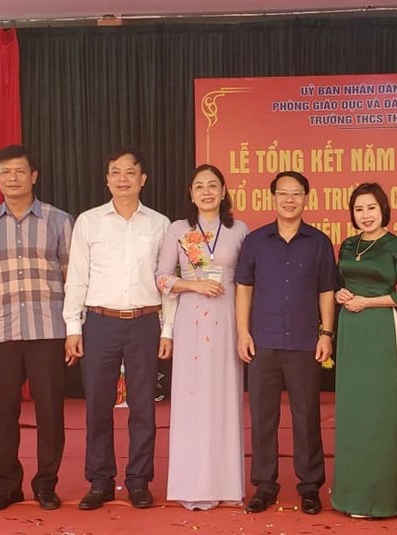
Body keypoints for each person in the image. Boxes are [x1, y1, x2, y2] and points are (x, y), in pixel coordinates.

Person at [0, 145, 74, 513]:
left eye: (20, 171)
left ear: (34, 176)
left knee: (50, 412)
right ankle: (7, 486)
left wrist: (75, 328)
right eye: (5, 172)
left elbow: (72, 277)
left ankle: (46, 485)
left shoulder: (59, 221)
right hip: (1, 332)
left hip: (49, 329)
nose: (13, 178)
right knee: (1, 412)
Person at [64, 147, 171, 511]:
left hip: (144, 322)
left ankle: (139, 481)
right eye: (116, 172)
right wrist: (72, 326)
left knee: (144, 407)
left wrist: (168, 330)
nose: (123, 178)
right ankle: (100, 481)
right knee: (97, 406)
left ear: (143, 179)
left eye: (130, 172)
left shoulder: (160, 224)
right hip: (99, 322)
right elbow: (77, 277)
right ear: (107, 179)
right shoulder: (89, 221)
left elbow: (167, 281)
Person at [236, 171, 336, 516]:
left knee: (307, 418)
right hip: (263, 341)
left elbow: (327, 290)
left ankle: (309, 488)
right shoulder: (256, 241)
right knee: (263, 418)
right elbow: (244, 288)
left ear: (306, 198)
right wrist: (243, 332)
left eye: (296, 194)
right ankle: (264, 485)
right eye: (283, 193)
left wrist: (326, 334)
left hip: (305, 342)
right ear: (273, 198)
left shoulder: (319, 242)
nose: (289, 200)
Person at [156, 164, 248, 510]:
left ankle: (226, 484)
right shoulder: (179, 229)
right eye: (199, 186)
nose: (206, 192)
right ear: (191, 194)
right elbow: (161, 277)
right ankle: (192, 485)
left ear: (223, 192)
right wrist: (193, 285)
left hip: (228, 319)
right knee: (191, 399)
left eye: (213, 186)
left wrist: (246, 327)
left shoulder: (239, 230)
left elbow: (248, 281)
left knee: (225, 397)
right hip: (191, 319)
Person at [331, 182, 397, 518]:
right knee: (352, 409)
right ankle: (350, 495)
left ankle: (382, 498)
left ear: (383, 209)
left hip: (381, 327)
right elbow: (341, 283)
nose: (365, 215)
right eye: (359, 209)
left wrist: (368, 302)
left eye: (371, 208)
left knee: (379, 409)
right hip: (350, 329)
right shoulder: (348, 244)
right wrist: (340, 294)